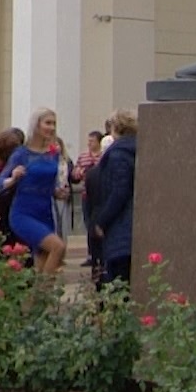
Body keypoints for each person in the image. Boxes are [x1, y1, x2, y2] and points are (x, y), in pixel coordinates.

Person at [0, 109, 69, 273]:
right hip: (23, 212)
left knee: (44, 264)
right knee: (58, 247)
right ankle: (41, 295)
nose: (51, 128)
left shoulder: (53, 153)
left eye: (54, 124)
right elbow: (1, 182)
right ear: (36, 126)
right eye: (48, 123)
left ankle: (40, 297)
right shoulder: (22, 154)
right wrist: (13, 177)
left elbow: (50, 183)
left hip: (45, 213)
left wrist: (57, 192)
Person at [90, 110, 138, 285]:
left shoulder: (118, 154)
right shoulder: (138, 149)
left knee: (118, 280)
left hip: (121, 228)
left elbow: (119, 191)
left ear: (115, 128)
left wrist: (102, 221)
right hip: (133, 226)